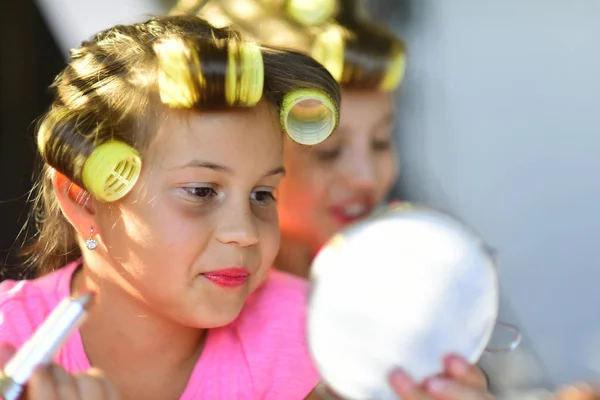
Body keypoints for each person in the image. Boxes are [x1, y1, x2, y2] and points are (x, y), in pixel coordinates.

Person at [0, 14, 342, 399]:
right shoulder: (8, 344)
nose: (244, 233)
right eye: (201, 191)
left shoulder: (323, 339)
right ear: (85, 200)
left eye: (262, 194)